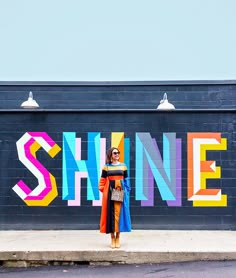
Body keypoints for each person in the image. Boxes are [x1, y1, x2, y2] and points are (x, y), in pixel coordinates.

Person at [99, 147, 131, 248]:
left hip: (119, 191)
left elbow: (126, 179)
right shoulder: (106, 167)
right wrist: (104, 191)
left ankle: (118, 237)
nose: (117, 154)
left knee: (119, 214)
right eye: (115, 153)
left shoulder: (123, 166)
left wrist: (126, 190)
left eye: (118, 152)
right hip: (109, 192)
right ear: (110, 155)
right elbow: (102, 180)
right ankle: (112, 237)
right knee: (110, 214)